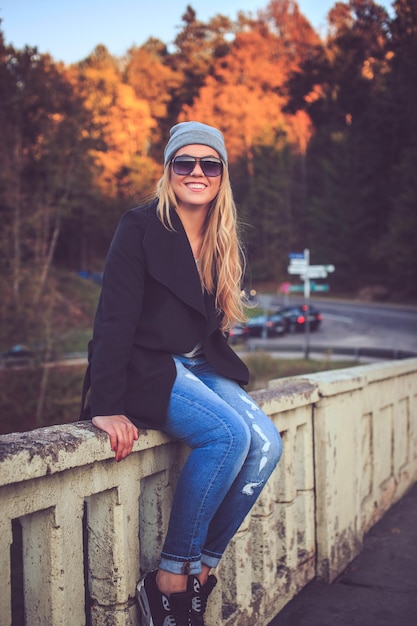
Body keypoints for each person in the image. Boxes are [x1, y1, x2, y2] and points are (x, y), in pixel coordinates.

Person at [81, 121, 283, 626]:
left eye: (208, 164)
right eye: (184, 162)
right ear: (168, 170)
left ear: (221, 174)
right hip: (149, 365)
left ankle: (201, 572)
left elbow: (210, 317)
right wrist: (106, 404)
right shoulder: (141, 226)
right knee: (226, 435)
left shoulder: (221, 234)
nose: (197, 172)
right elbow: (114, 317)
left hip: (200, 363)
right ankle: (169, 579)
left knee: (267, 445)